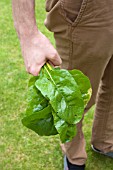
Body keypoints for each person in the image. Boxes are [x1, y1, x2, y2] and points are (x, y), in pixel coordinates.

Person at [12, 0, 113, 170]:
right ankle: (74, 156)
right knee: (73, 98)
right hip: (87, 8)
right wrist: (27, 32)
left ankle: (105, 141)